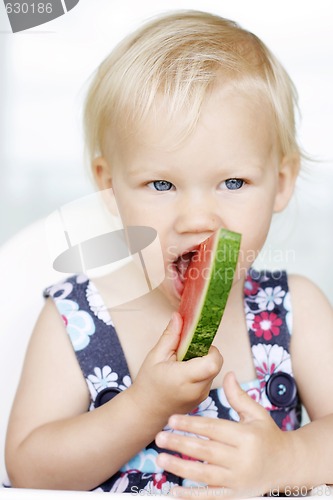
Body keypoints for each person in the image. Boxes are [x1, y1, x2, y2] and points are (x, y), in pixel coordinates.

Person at [5, 10, 333, 497]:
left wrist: (286, 458)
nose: (197, 218)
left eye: (233, 182)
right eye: (162, 184)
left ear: (280, 183)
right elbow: (28, 470)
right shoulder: (74, 318)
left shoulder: (295, 310)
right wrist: (142, 406)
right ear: (110, 187)